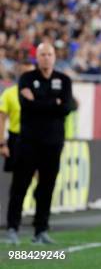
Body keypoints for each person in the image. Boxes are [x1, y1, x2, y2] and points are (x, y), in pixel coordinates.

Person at [5, 43, 75, 245]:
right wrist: (54, 103)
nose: (46, 58)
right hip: (28, 142)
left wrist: (41, 102)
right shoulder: (27, 78)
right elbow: (27, 105)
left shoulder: (64, 80)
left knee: (47, 187)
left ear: (55, 57)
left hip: (53, 144)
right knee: (20, 185)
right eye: (42, 54)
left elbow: (67, 107)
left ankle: (41, 230)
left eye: (50, 54)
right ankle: (12, 228)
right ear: (37, 57)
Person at [0, 60, 35, 173]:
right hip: (16, 139)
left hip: (37, 139)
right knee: (17, 177)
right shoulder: (9, 93)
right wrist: (2, 144)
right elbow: (1, 119)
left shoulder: (41, 93)